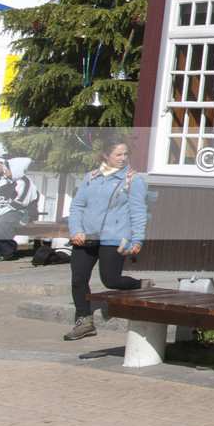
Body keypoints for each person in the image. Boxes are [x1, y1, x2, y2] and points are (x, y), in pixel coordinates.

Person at [64, 138, 151, 340]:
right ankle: (84, 321)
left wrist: (137, 239)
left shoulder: (133, 179)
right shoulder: (92, 176)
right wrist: (76, 230)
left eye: (125, 154)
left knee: (111, 280)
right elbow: (77, 206)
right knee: (78, 279)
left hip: (114, 236)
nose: (123, 158)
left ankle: (140, 285)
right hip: (87, 236)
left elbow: (138, 211)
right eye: (118, 154)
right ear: (106, 155)